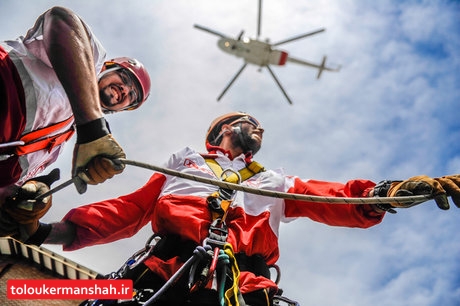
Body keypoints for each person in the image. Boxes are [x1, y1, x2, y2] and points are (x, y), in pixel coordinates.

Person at [4, 112, 460, 306]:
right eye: (247, 122)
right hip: (164, 267)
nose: (257, 128)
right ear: (220, 131)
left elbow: (334, 198)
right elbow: (124, 212)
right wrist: (42, 233)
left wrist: (393, 191)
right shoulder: (184, 166)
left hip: (243, 283)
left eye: (260, 127)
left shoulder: (273, 183)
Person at [0, 6, 151, 239]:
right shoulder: (88, 58)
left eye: (131, 96)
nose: (124, 90)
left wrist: (19, 203)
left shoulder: (56, 148)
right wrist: (93, 127)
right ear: (107, 67)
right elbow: (60, 18)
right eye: (124, 78)